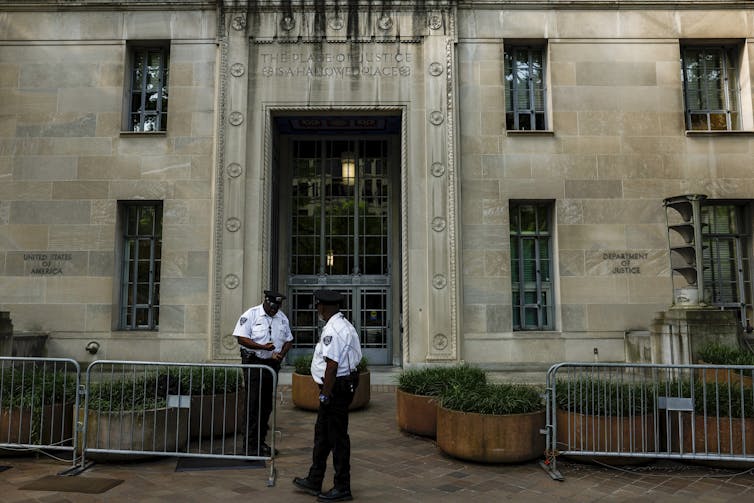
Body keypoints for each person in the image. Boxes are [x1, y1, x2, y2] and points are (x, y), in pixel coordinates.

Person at [293, 289, 362, 502]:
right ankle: (315, 479)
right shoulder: (342, 324)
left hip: (336, 389)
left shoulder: (334, 328)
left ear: (324, 306)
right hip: (338, 387)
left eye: (317, 306)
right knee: (322, 435)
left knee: (337, 438)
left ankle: (342, 487)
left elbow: (332, 366)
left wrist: (325, 395)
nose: (317, 310)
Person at [232, 290, 293, 457]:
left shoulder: (282, 318)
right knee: (253, 404)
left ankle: (260, 442)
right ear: (266, 301)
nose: (274, 310)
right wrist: (263, 347)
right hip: (254, 363)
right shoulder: (251, 315)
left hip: (272, 364)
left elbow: (289, 339)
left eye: (277, 307)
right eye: (272, 307)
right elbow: (241, 338)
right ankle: (249, 446)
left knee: (266, 406)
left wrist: (282, 354)